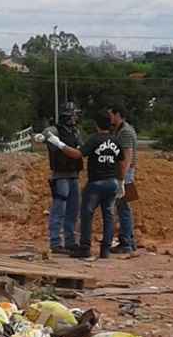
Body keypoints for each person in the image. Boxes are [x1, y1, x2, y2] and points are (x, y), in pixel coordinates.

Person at [38, 109, 125, 259]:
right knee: (108, 216)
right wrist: (120, 181)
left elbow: (78, 153)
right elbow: (122, 162)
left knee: (85, 214)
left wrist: (58, 143)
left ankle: (84, 247)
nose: (74, 119)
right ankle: (104, 250)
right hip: (101, 181)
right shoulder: (115, 140)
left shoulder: (90, 137)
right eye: (72, 115)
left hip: (91, 181)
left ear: (96, 124)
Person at [34, 103, 83, 254]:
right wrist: (45, 136)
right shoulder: (55, 130)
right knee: (59, 209)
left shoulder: (75, 131)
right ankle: (55, 242)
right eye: (73, 114)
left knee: (73, 211)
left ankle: (70, 241)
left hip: (74, 174)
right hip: (60, 175)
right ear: (66, 116)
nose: (75, 117)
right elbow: (45, 134)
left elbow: (80, 146)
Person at [108, 105, 138, 253]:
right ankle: (129, 240)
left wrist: (121, 179)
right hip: (126, 173)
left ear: (117, 114)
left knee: (123, 208)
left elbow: (127, 156)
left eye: (111, 115)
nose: (110, 118)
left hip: (126, 174)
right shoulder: (123, 129)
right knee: (124, 208)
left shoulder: (125, 132)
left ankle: (126, 243)